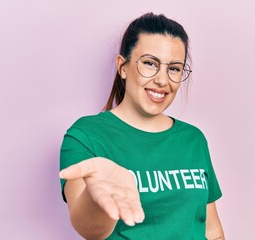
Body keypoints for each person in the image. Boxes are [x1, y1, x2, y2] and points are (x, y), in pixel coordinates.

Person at [59, 12, 225, 240]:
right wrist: (97, 197)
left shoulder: (193, 139)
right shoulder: (86, 135)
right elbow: (89, 228)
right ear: (122, 67)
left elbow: (212, 231)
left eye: (174, 68)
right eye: (149, 63)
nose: (162, 80)